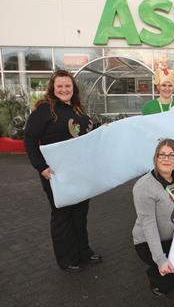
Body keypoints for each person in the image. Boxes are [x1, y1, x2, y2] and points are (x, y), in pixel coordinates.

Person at [24, 69, 102, 272]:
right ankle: (67, 259)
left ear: (73, 88)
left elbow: (86, 133)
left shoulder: (77, 108)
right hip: (56, 174)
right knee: (62, 215)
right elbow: (30, 139)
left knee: (80, 213)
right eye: (59, 86)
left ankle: (83, 252)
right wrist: (41, 167)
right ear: (53, 88)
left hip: (81, 173)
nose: (64, 89)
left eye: (67, 86)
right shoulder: (43, 110)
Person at [132, 138, 174, 297]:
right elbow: (148, 225)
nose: (166, 159)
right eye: (162, 155)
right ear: (156, 158)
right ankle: (154, 275)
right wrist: (160, 259)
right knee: (166, 282)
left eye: (171, 155)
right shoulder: (143, 186)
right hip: (148, 241)